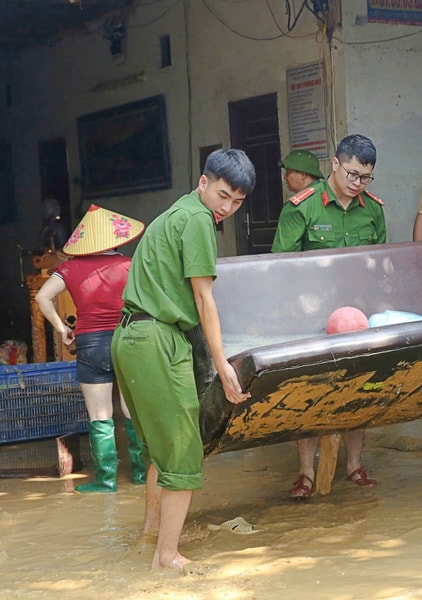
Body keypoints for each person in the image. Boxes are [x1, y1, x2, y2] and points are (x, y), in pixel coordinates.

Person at [111, 148, 256, 571]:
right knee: (183, 452)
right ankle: (167, 557)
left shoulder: (176, 212)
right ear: (203, 182)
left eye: (237, 202)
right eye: (224, 195)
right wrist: (224, 364)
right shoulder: (197, 220)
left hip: (131, 337)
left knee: (160, 449)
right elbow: (203, 297)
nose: (227, 208)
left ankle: (152, 537)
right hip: (157, 339)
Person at [271, 134, 385, 497]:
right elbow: (281, 267)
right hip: (312, 318)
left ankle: (353, 466)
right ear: (335, 164)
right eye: (352, 174)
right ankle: (306, 473)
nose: (357, 184)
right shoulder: (302, 207)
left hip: (359, 317)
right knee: (312, 392)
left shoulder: (373, 209)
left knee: (360, 389)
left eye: (365, 178)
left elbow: (380, 266)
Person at [35, 204, 147, 493]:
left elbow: (44, 298)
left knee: (100, 414)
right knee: (133, 411)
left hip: (90, 345)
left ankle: (106, 480)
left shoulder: (69, 269)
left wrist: (63, 330)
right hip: (127, 341)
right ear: (115, 239)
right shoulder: (130, 265)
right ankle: (140, 474)